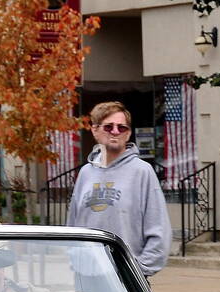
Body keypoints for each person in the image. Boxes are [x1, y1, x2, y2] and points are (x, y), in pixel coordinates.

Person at [68, 102, 171, 278]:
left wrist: (138, 270)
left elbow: (159, 231)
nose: (115, 131)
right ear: (95, 130)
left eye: (122, 127)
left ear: (128, 133)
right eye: (108, 127)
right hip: (85, 276)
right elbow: (73, 227)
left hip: (126, 279)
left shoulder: (142, 172)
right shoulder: (85, 173)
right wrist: (76, 261)